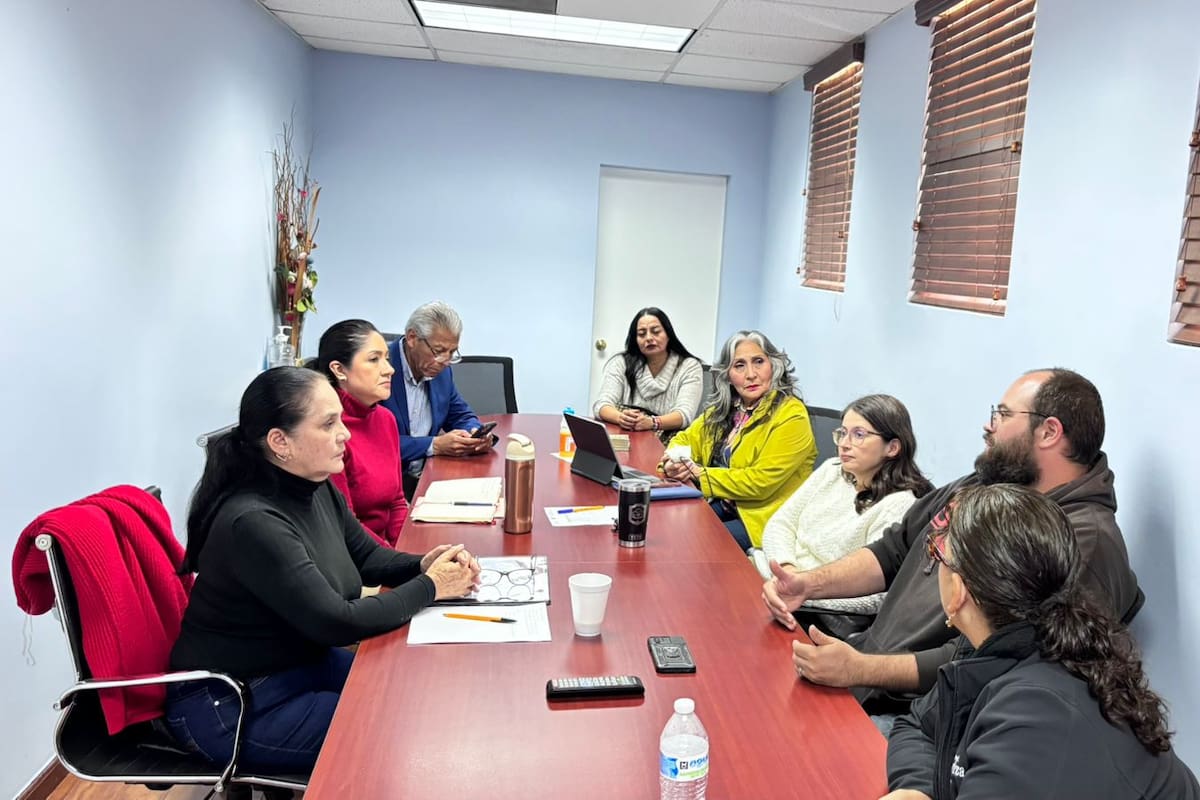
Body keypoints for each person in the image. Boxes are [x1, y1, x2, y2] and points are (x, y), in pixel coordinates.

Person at [762, 369, 1140, 732]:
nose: (989, 424)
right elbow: (893, 550)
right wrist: (807, 585)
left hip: (920, 712)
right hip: (864, 670)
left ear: (1049, 431)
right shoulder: (984, 483)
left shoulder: (1082, 541)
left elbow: (990, 656)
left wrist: (862, 669)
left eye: (1003, 414)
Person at [166, 367, 479, 777]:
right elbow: (336, 622)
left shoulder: (312, 484)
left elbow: (369, 557)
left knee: (415, 695)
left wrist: (423, 564)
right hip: (232, 703)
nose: (345, 433)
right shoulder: (253, 521)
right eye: (329, 424)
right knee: (405, 732)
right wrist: (432, 586)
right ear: (280, 442)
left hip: (296, 665)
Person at [882, 484, 1198, 800]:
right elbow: (917, 725)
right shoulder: (1000, 648)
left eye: (939, 554)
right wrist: (918, 789)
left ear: (958, 592)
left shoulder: (1037, 714)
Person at [760, 395, 933, 618]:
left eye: (858, 435)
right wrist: (789, 574)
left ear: (892, 447)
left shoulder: (898, 505)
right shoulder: (832, 470)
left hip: (809, 611)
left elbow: (875, 595)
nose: (844, 443)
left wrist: (804, 591)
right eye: (842, 433)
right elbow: (780, 523)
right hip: (774, 582)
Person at [660, 330, 817, 551]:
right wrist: (674, 461)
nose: (751, 374)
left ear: (774, 366)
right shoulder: (725, 410)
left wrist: (698, 474)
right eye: (739, 365)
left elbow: (759, 483)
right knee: (664, 527)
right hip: (723, 505)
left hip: (762, 520)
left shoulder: (792, 415)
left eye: (759, 362)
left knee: (695, 543)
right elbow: (686, 438)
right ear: (727, 375)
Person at [380, 301, 493, 499]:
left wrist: (473, 434)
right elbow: (374, 444)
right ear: (412, 338)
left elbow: (460, 414)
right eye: (439, 351)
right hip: (388, 488)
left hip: (427, 480)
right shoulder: (380, 369)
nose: (446, 361)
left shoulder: (442, 372)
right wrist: (435, 445)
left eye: (452, 352)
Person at [313, 319, 407, 548]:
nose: (389, 369)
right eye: (374, 359)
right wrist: (402, 564)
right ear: (339, 370)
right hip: (354, 561)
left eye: (387, 358)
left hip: (386, 554)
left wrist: (408, 549)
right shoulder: (328, 432)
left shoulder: (386, 420)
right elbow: (346, 528)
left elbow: (397, 502)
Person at [592, 307, 704, 439]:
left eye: (656, 332)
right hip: (625, 439)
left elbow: (685, 415)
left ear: (668, 334)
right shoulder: (621, 363)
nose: (649, 338)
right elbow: (601, 405)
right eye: (641, 334)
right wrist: (621, 417)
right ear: (635, 339)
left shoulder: (689, 366)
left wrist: (652, 422)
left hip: (666, 443)